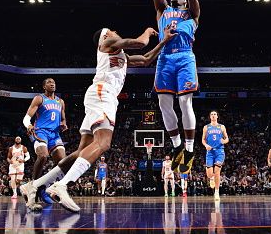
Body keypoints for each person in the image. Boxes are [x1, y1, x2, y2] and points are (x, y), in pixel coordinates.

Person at [23, 25, 175, 213]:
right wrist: (149, 31)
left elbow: (144, 59)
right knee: (103, 143)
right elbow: (139, 43)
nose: (115, 31)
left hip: (99, 95)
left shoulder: (120, 56)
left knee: (80, 152)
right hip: (103, 94)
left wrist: (164, 41)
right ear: (105, 36)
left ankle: (35, 184)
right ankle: (62, 185)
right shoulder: (108, 42)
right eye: (111, 30)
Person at [146, 0, 201, 174]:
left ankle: (189, 149)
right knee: (163, 103)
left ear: (185, 2)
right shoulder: (162, 10)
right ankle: (178, 146)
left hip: (185, 58)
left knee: (184, 102)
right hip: (165, 58)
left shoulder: (193, 13)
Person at [21, 78, 67, 208]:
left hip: (55, 134)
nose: (52, 83)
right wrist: (28, 125)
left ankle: (43, 187)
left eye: (53, 82)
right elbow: (26, 117)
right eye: (49, 82)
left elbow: (63, 119)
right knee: (43, 156)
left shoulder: (60, 101)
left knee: (63, 163)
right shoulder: (39, 98)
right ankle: (33, 189)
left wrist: (63, 124)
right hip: (40, 131)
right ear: (44, 87)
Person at [202, 111, 229, 201]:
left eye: (215, 114)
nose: (213, 116)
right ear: (210, 117)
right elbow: (203, 140)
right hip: (210, 152)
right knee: (209, 174)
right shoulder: (206, 127)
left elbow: (227, 138)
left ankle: (217, 192)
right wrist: (206, 145)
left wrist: (223, 141)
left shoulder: (222, 127)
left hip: (219, 151)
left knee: (217, 171)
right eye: (212, 114)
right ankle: (211, 178)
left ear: (217, 116)